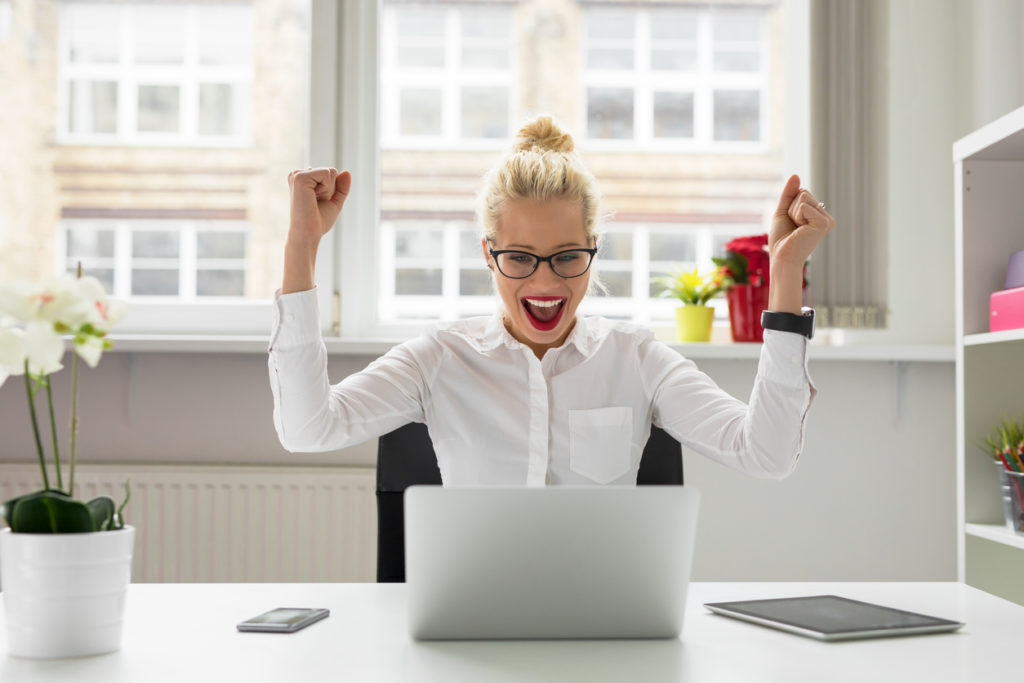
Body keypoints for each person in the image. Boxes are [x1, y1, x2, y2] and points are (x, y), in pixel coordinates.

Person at [268, 116, 832, 485]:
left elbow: (767, 454)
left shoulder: (635, 357)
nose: (544, 284)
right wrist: (302, 246)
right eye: (519, 258)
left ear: (593, 248)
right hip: (474, 633)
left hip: (603, 635)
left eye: (566, 256)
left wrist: (784, 272)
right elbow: (307, 428)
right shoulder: (438, 357)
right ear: (489, 255)